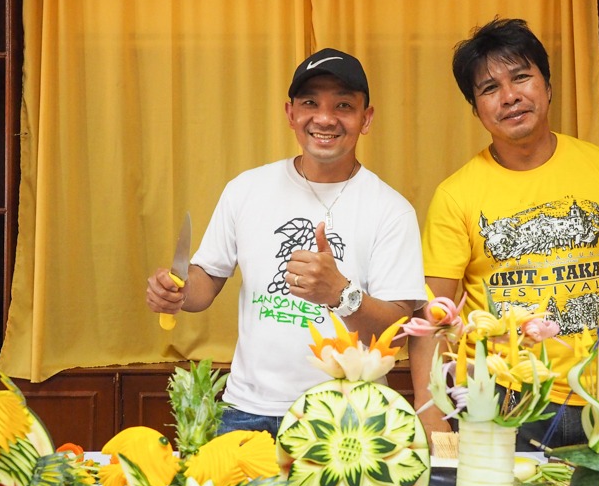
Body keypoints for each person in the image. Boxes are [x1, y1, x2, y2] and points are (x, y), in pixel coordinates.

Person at [410, 18, 599, 451]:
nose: (509, 96)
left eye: (521, 78)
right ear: (476, 109)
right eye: (489, 88)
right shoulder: (456, 195)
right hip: (502, 403)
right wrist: (433, 413)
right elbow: (432, 318)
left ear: (547, 86)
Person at [147, 48, 427, 437]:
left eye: (343, 105)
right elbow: (204, 283)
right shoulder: (246, 189)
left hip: (346, 417)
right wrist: (176, 293)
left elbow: (397, 331)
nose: (325, 118)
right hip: (246, 411)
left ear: (366, 118)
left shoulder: (391, 210)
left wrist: (341, 294)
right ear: (290, 113)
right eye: (310, 102)